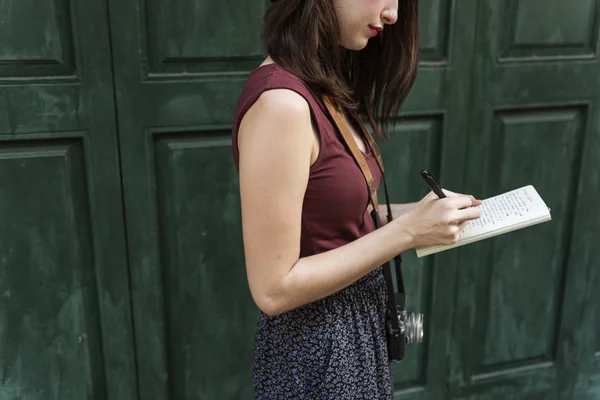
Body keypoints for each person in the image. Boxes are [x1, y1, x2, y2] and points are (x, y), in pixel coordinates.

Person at [230, 0, 482, 398]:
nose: (393, 15)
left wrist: (426, 217)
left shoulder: (320, 85)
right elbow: (273, 289)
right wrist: (407, 232)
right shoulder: (281, 104)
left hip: (352, 336)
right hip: (317, 352)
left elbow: (341, 219)